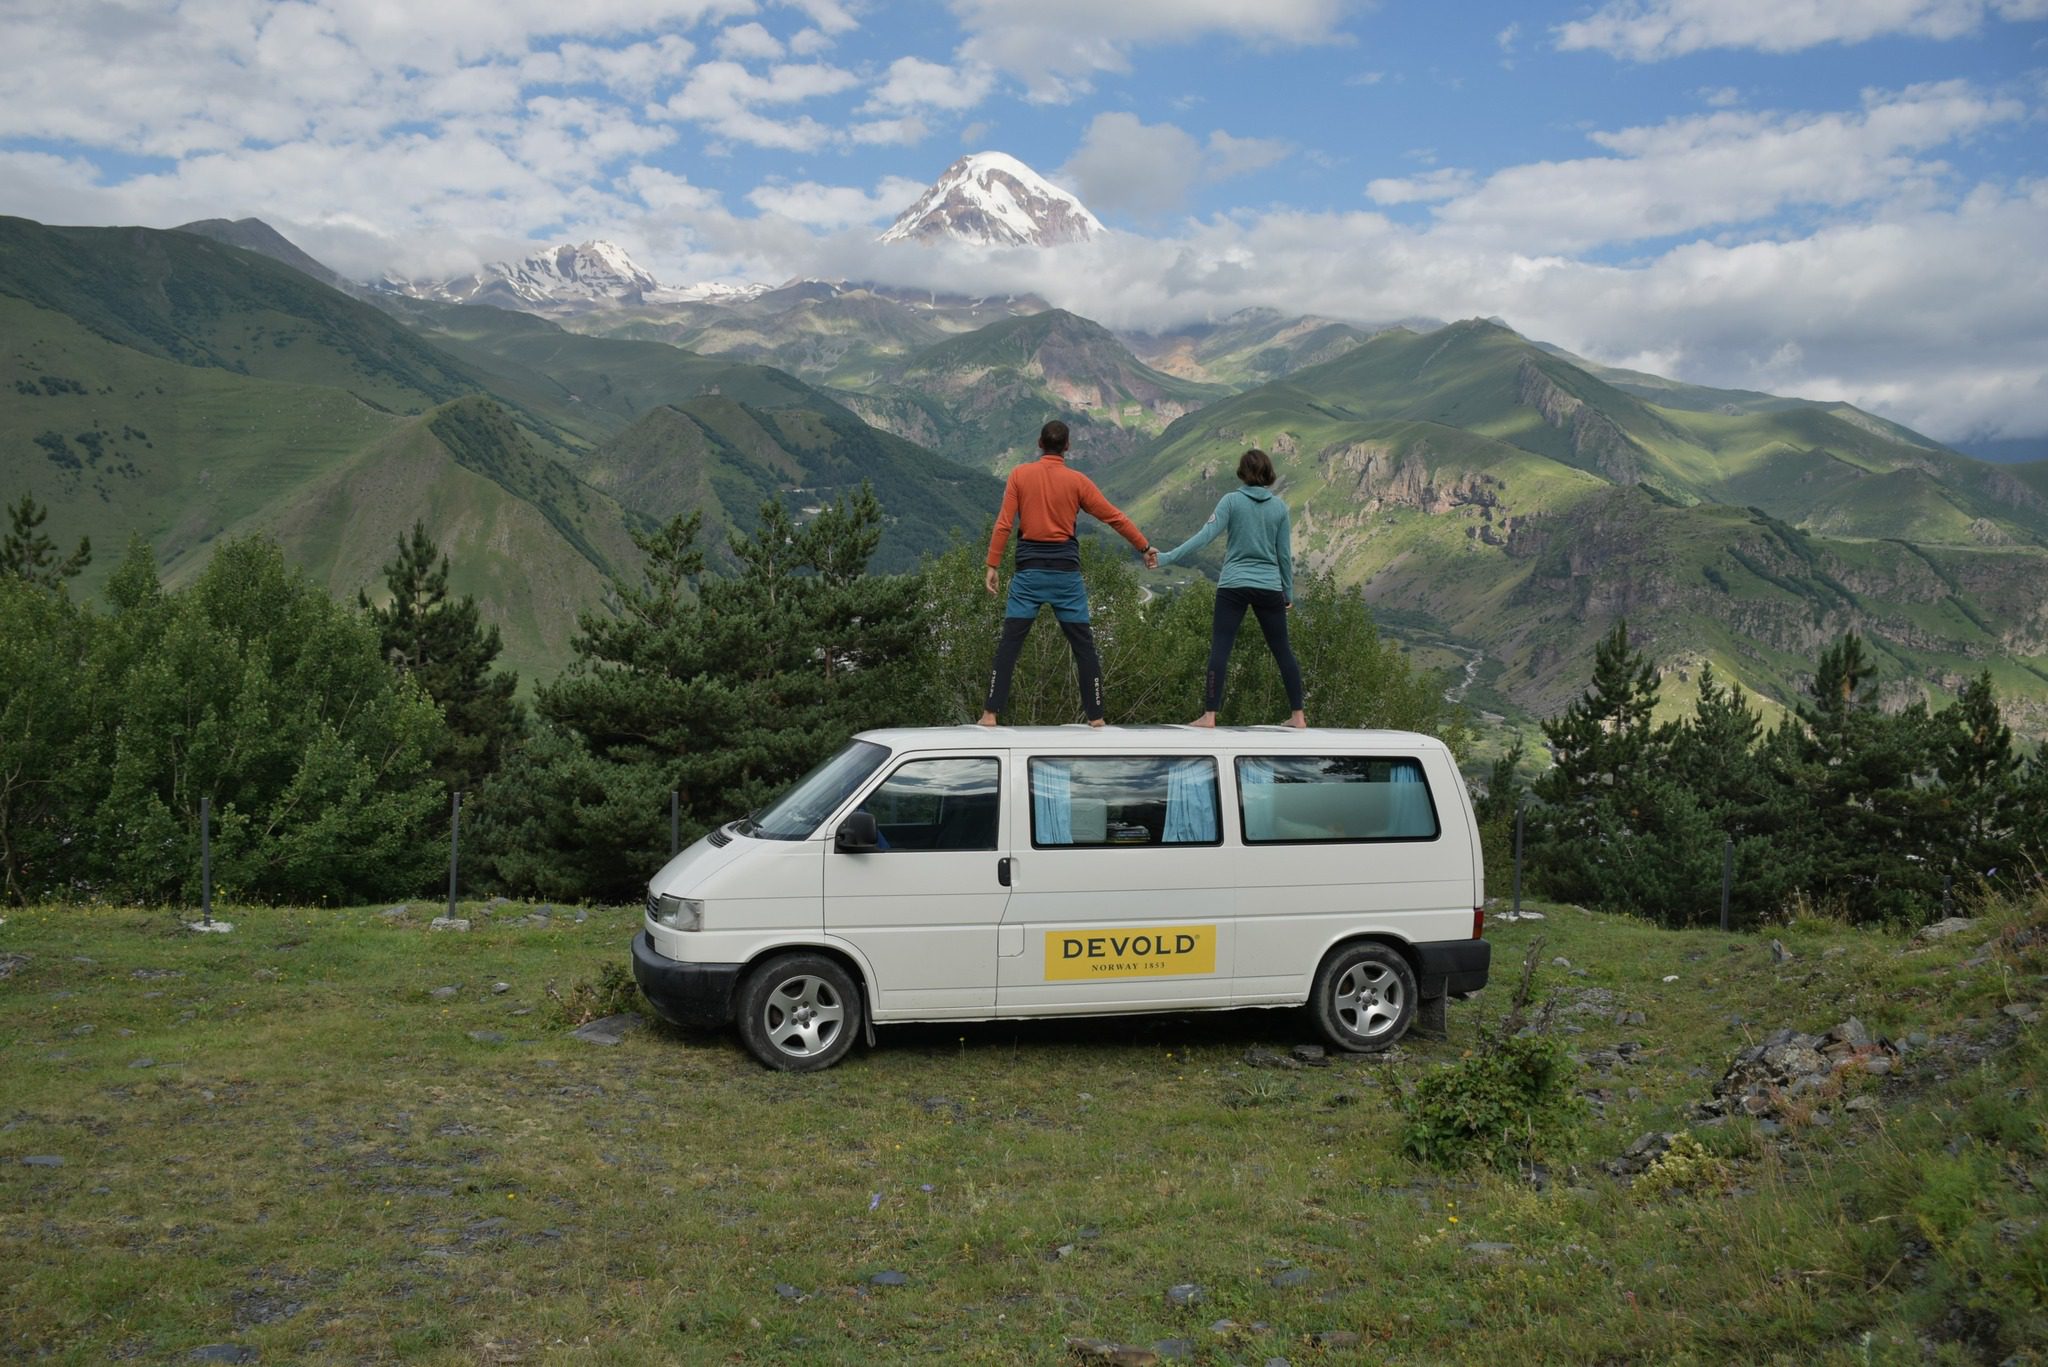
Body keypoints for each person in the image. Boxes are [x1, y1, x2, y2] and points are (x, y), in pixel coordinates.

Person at [980, 420, 1154, 727]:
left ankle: (990, 714)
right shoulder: (1078, 481)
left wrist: (992, 564)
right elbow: (1114, 517)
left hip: (1029, 575)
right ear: (1068, 446)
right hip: (1066, 577)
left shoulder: (1019, 475)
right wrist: (1144, 546)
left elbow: (1004, 524)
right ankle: (1096, 717)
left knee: (1010, 643)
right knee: (1083, 646)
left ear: (1039, 443)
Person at [1149, 448, 1306, 728]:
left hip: (1233, 584)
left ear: (1242, 473)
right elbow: (1284, 555)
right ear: (1269, 473)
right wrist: (1288, 592)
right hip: (1269, 586)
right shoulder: (1280, 508)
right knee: (1283, 651)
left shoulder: (1231, 501)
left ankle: (1209, 715)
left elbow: (1204, 537)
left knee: (1221, 647)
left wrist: (1166, 557)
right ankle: (1298, 716)